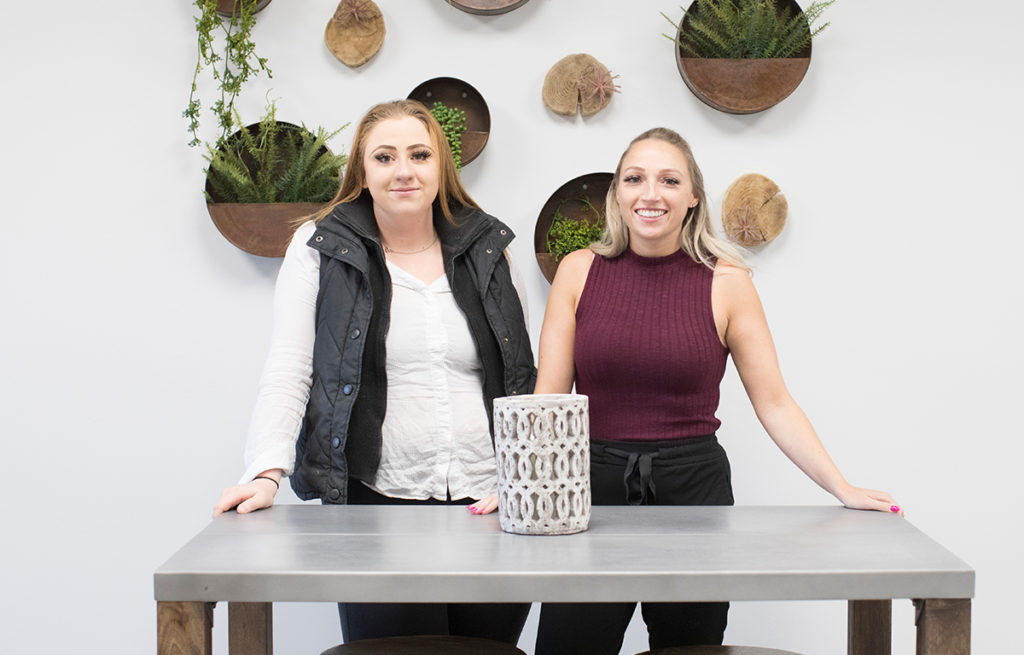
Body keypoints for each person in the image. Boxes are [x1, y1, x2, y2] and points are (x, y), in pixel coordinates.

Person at [531, 127, 901, 655]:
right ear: (617, 193)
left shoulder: (727, 281)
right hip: (588, 489)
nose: (650, 194)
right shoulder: (578, 271)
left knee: (690, 650)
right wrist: (522, 482)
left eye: (669, 180)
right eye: (634, 178)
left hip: (695, 495)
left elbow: (773, 402)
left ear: (693, 196)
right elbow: (551, 399)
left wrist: (840, 486)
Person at [212, 99, 535, 645]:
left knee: (488, 652)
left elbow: (523, 374)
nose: (403, 170)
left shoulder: (491, 247)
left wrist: (526, 479)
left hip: (491, 504)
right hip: (377, 507)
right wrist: (266, 471)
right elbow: (291, 368)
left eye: (419, 154)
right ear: (362, 172)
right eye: (384, 157)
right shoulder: (319, 249)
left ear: (441, 169)